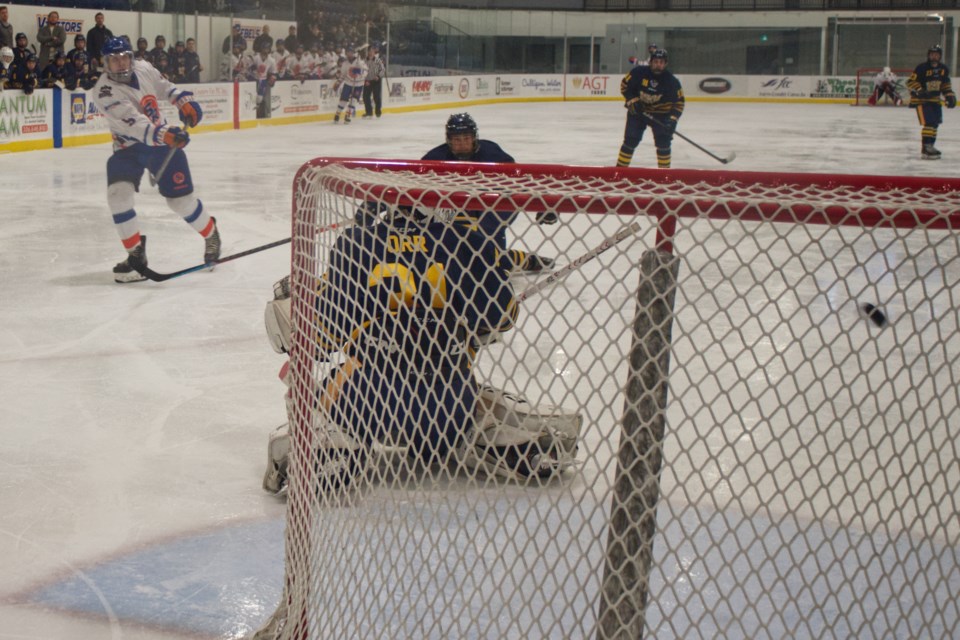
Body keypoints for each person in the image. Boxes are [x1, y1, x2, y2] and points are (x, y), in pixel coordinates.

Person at [260, 202, 581, 493]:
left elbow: (320, 336)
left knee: (327, 374)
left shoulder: (354, 244)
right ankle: (492, 438)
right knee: (471, 391)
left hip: (370, 402)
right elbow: (502, 318)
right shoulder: (468, 242)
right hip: (450, 404)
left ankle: (332, 443)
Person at [91, 36, 221, 284]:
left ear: (130, 56)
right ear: (105, 63)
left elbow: (166, 87)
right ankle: (136, 255)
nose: (121, 63)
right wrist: (166, 134)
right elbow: (136, 124)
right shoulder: (104, 91)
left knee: (180, 203)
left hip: (160, 145)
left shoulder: (143, 67)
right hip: (128, 147)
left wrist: (184, 101)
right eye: (114, 60)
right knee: (118, 195)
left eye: (124, 57)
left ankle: (211, 234)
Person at [422, 113, 556, 273]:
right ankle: (529, 261)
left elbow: (522, 179)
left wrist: (544, 203)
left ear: (474, 138)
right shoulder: (436, 157)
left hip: (497, 203)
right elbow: (410, 184)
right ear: (449, 141)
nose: (462, 144)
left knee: (484, 245)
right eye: (457, 140)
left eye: (466, 139)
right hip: (461, 208)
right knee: (466, 250)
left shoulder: (492, 153)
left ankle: (514, 262)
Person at [617, 48, 685, 169]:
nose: (658, 65)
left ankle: (664, 176)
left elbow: (679, 103)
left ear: (665, 64)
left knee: (663, 143)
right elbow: (624, 86)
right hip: (638, 112)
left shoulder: (672, 82)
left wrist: (672, 119)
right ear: (651, 62)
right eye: (656, 61)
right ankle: (619, 171)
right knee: (630, 141)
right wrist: (632, 100)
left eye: (661, 62)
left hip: (661, 115)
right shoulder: (638, 73)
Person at [907, 44, 956, 159]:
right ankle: (927, 146)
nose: (934, 57)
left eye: (936, 55)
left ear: (940, 56)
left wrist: (950, 96)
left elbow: (945, 85)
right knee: (929, 123)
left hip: (935, 102)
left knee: (935, 124)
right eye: (932, 54)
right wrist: (920, 90)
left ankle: (929, 147)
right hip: (922, 101)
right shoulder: (922, 68)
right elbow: (910, 82)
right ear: (928, 55)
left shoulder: (944, 69)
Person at [332, 45, 366, 123]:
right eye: (348, 52)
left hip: (358, 84)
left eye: (350, 52)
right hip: (348, 83)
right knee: (343, 100)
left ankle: (348, 115)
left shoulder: (359, 61)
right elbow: (343, 75)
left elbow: (365, 71)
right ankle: (337, 114)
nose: (349, 54)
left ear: (353, 53)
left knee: (353, 101)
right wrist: (338, 82)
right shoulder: (345, 63)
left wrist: (359, 71)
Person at [249, 40, 277, 118]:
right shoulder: (256, 57)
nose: (266, 50)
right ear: (261, 48)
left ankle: (257, 113)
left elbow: (273, 72)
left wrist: (272, 78)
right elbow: (249, 67)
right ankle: (250, 113)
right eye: (264, 48)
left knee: (259, 98)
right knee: (250, 97)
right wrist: (253, 69)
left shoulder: (272, 60)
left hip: (263, 80)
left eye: (267, 49)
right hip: (253, 79)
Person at [362, 43, 385, 118]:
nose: (372, 52)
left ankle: (378, 112)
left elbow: (382, 70)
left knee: (376, 97)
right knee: (366, 97)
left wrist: (378, 76)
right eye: (370, 50)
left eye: (373, 50)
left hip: (376, 81)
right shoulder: (364, 60)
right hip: (367, 81)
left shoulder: (378, 60)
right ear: (368, 51)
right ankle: (369, 112)